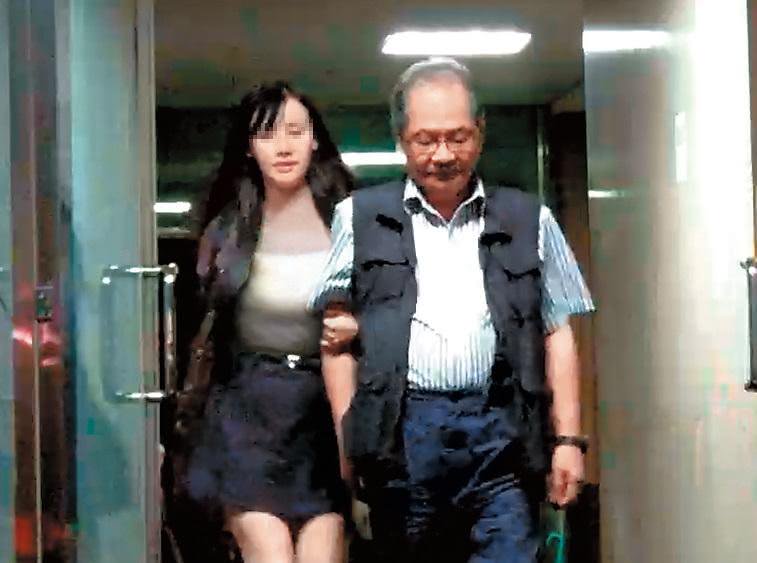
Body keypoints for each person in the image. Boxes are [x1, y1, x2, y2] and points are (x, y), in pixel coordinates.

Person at [309, 58, 595, 562]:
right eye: (425, 140)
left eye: (458, 137)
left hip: (503, 433)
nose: (443, 154)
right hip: (402, 437)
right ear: (401, 138)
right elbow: (335, 341)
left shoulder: (530, 218)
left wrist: (569, 440)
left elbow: (557, 332)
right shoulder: (357, 218)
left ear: (480, 132)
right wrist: (348, 443)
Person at [186, 82, 358, 563]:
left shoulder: (351, 216)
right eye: (266, 135)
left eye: (295, 132)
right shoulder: (227, 227)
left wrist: (358, 328)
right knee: (271, 554)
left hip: (325, 410)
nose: (283, 147)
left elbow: (391, 304)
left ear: (315, 140)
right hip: (248, 410)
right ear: (248, 147)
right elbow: (204, 326)